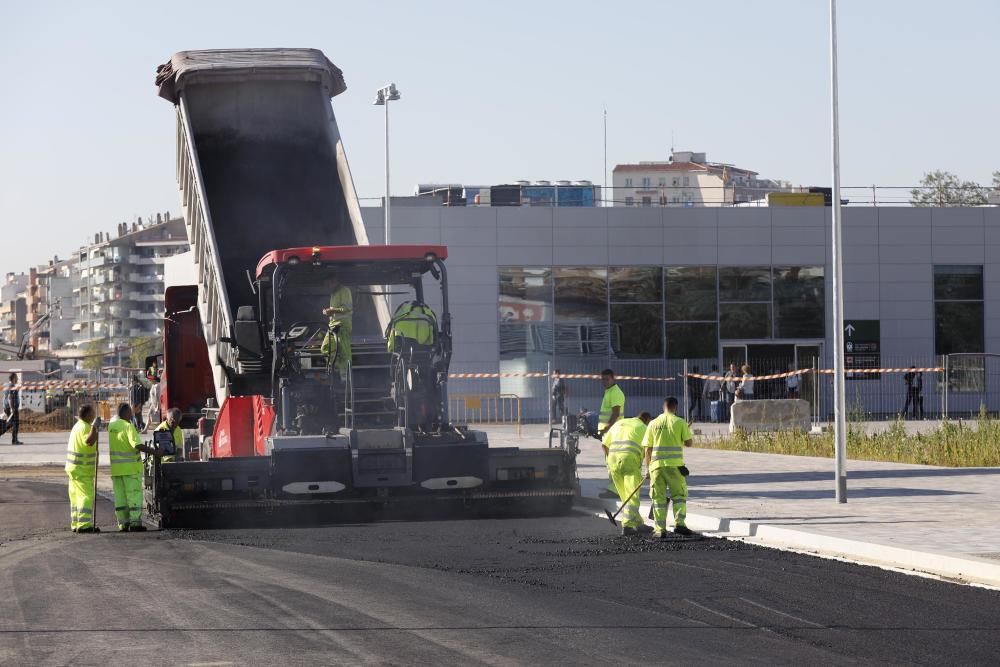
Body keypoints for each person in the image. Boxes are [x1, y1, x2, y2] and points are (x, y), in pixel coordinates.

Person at [642, 396, 695, 537]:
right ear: (675, 407)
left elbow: (647, 449)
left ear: (663, 407)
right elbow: (689, 443)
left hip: (656, 468)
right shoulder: (679, 422)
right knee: (679, 496)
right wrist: (684, 432)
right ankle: (680, 525)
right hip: (675, 467)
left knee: (658, 498)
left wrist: (647, 469)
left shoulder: (653, 423)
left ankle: (660, 530)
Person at [602, 412, 653, 536]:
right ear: (646, 420)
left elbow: (604, 445)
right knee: (632, 495)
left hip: (613, 462)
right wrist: (649, 469)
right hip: (629, 461)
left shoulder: (619, 423)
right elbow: (648, 450)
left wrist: (608, 462)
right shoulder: (644, 428)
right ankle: (628, 525)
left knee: (626, 497)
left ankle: (638, 523)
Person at [108, 403, 154, 532]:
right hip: (131, 469)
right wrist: (154, 451)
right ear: (126, 413)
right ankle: (135, 523)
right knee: (133, 496)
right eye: (130, 412)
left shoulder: (111, 426)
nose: (132, 414)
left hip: (117, 470)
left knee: (120, 498)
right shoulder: (128, 426)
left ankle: (123, 524)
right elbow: (137, 445)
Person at [65, 404, 100, 533]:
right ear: (88, 415)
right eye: (93, 413)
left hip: (73, 467)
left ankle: (76, 522)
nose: (95, 414)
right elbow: (89, 441)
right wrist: (95, 428)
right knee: (86, 496)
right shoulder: (86, 427)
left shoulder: (77, 426)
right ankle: (84, 524)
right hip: (82, 469)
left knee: (75, 496)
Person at [597, 369, 625, 499]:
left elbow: (616, 412)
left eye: (607, 379)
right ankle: (614, 488)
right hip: (608, 433)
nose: (604, 382)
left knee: (612, 462)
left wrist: (607, 427)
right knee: (610, 462)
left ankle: (615, 490)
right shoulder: (609, 392)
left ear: (614, 379)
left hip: (613, 432)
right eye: (602, 379)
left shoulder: (615, 392)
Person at [321, 278, 353, 374]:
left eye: (328, 284)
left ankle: (345, 377)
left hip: (342, 326)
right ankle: (338, 368)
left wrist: (332, 310)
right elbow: (336, 310)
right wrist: (328, 312)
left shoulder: (344, 290)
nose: (327, 287)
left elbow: (347, 308)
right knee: (325, 349)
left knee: (344, 352)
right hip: (333, 326)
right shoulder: (333, 293)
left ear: (334, 281)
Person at [3, 373, 23, 445]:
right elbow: (10, 397)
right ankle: (14, 440)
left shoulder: (6, 384)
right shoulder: (11, 386)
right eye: (16, 377)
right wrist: (13, 409)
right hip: (12, 408)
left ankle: (14, 439)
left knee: (12, 423)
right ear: (14, 378)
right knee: (15, 423)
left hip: (8, 407)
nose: (17, 379)